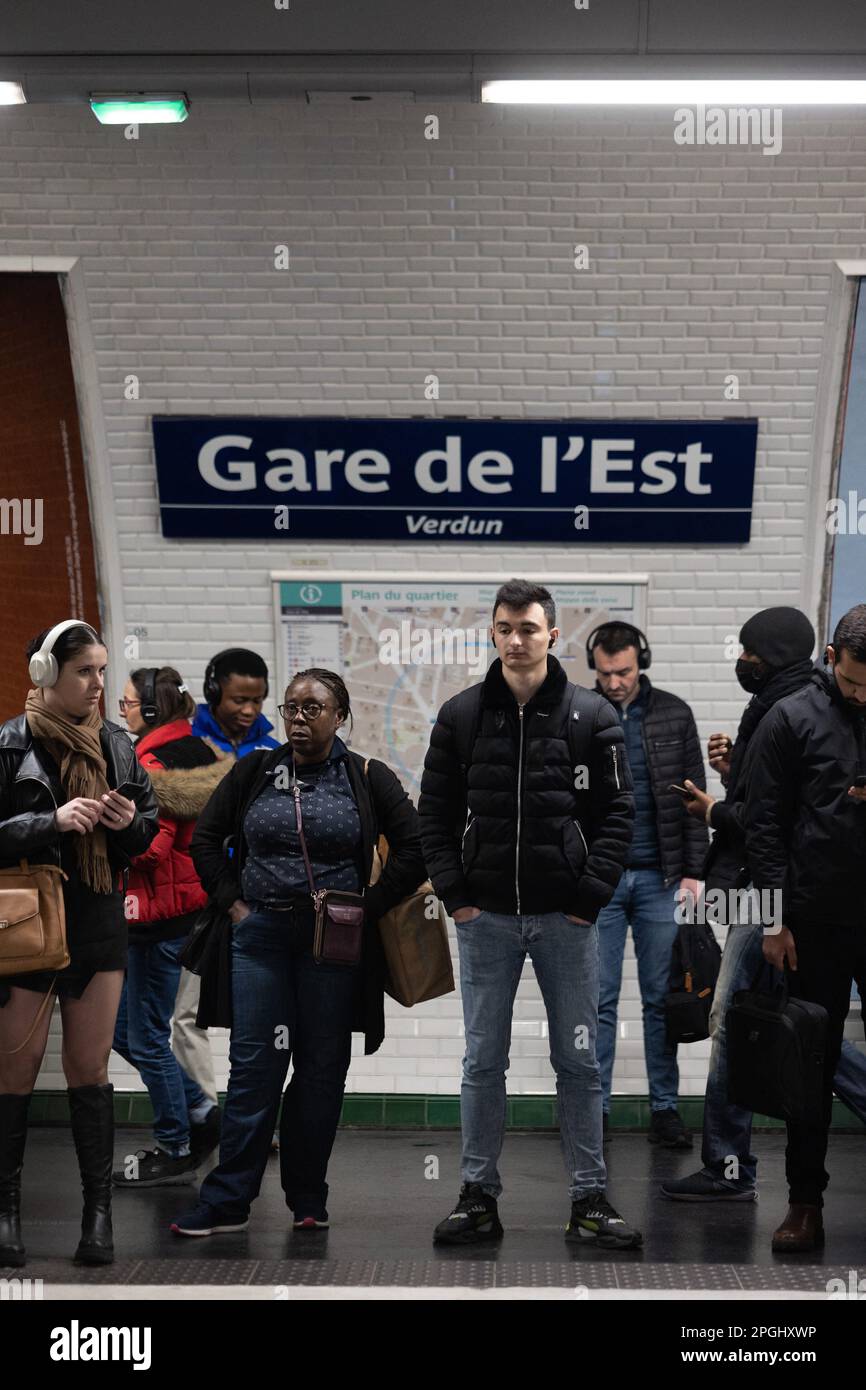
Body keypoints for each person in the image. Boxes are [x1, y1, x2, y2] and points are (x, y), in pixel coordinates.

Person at [419, 578, 642, 1248]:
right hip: (484, 919)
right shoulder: (460, 715)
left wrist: (588, 898)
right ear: (493, 633)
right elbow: (434, 815)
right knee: (483, 1061)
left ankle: (589, 1199)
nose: (516, 641)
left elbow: (618, 815)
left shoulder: (591, 716)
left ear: (553, 635)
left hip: (565, 921)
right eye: (505, 629)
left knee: (578, 1062)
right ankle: (477, 1197)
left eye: (528, 629)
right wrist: (457, 897)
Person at [171, 668, 426, 1235]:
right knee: (254, 1068)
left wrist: (367, 906)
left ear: (341, 717)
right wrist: (235, 906)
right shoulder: (255, 771)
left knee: (320, 1070)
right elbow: (207, 840)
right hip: (259, 937)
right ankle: (228, 1200)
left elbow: (415, 848)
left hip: (332, 943)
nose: (299, 719)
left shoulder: (367, 776)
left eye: (314, 709)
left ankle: (308, 1197)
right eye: (291, 708)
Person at [661, 605, 866, 1203]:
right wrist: (735, 773)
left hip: (769, 891)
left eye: (751, 653)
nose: (743, 661)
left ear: (776, 657)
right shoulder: (780, 709)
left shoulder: (792, 709)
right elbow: (770, 803)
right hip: (766, 890)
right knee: (776, 1020)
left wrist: (713, 812)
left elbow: (772, 825)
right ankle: (728, 1165)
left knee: (748, 1020)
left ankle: (728, 1168)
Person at [0, 621, 157, 1268]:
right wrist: (51, 822)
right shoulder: (10, 743)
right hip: (27, 924)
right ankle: (6, 1215)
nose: (97, 684)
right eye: (84, 671)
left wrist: (128, 824)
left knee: (89, 1072)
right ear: (46, 674)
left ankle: (98, 1216)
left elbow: (145, 832)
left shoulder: (117, 744)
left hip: (96, 922)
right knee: (15, 1070)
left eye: (101, 670)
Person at [742, 602, 866, 1252]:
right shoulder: (790, 719)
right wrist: (772, 920)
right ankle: (805, 1202)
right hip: (814, 920)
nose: (862, 696)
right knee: (811, 1064)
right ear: (831, 659)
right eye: (852, 683)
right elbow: (762, 828)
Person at [111, 666, 235, 1188]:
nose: (122, 710)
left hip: (157, 921)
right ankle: (202, 1114)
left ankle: (175, 1145)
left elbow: (151, 849)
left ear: (151, 709)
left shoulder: (152, 764)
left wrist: (110, 827)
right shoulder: (199, 750)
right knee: (124, 1031)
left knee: (144, 1037)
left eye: (127, 702)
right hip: (182, 915)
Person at [589, 621, 708, 1148]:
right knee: (599, 1001)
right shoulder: (577, 712)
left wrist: (695, 872)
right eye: (606, 673)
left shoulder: (674, 714)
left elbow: (694, 798)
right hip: (601, 880)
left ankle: (664, 1110)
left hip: (663, 879)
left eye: (624, 672)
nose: (615, 682)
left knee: (663, 999)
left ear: (642, 662)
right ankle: (595, 1111)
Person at [183, 647, 281, 1142]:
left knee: (263, 1020)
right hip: (198, 899)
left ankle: (260, 1124)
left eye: (257, 700)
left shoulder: (274, 750)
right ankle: (208, 1120)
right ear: (213, 690)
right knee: (186, 1016)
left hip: (256, 901)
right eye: (239, 699)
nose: (248, 709)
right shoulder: (188, 744)